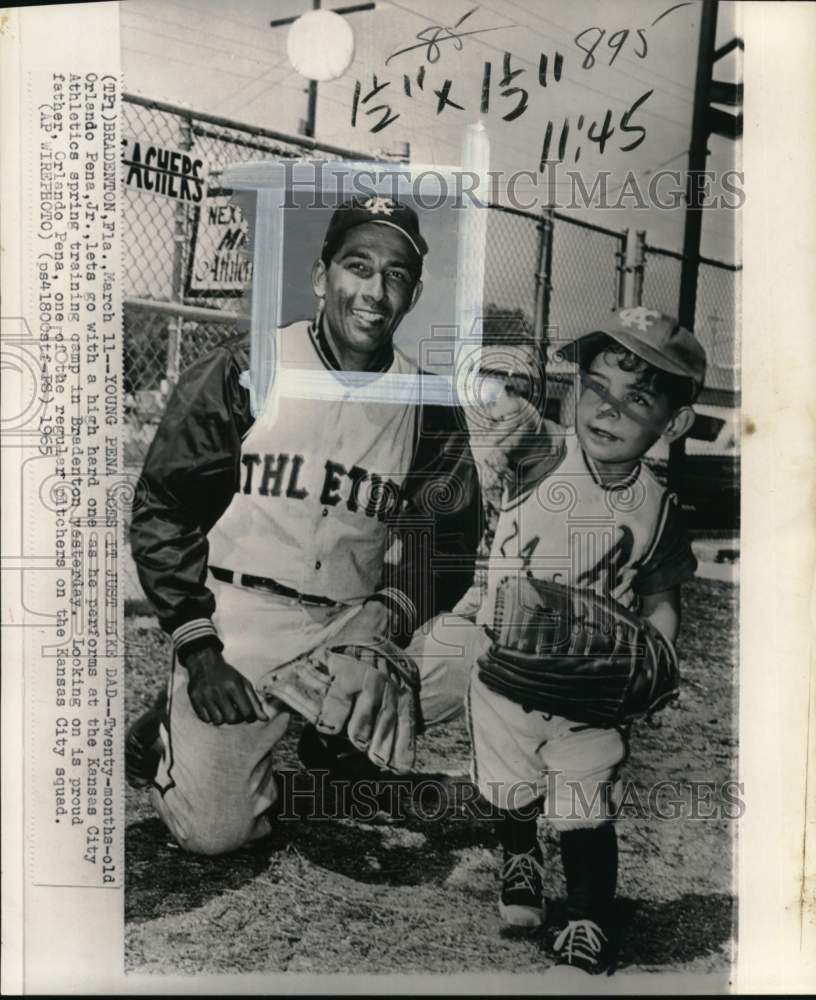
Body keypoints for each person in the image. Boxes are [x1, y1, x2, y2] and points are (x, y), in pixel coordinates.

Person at [126, 195, 482, 855]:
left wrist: (391, 614)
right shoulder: (248, 368)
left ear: (413, 293)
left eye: (396, 275)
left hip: (350, 626)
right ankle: (167, 729)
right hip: (241, 620)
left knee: (476, 656)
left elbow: (452, 535)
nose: (375, 290)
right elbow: (164, 507)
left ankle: (329, 742)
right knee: (211, 833)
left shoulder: (427, 402)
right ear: (324, 278)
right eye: (358, 266)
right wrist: (200, 651)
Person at [451, 307, 706, 975]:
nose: (609, 409)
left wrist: (654, 665)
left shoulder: (658, 510)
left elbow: (660, 602)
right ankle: (518, 854)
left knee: (583, 801)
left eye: (639, 397)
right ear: (573, 391)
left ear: (671, 423)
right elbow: (499, 412)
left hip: (590, 685)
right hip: (504, 666)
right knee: (510, 788)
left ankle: (589, 916)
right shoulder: (544, 451)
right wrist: (493, 397)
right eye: (596, 385)